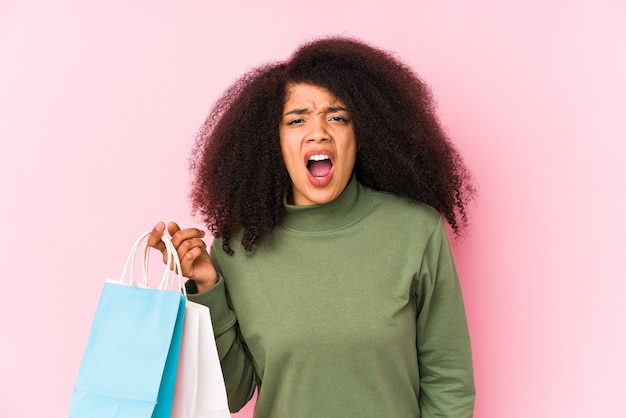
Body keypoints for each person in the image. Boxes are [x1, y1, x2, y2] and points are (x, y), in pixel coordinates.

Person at [149, 36, 476, 418]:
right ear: (274, 141)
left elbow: (449, 380)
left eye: (337, 117)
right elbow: (232, 395)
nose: (319, 131)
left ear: (362, 134)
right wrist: (207, 287)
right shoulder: (237, 247)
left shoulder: (417, 233)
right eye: (297, 119)